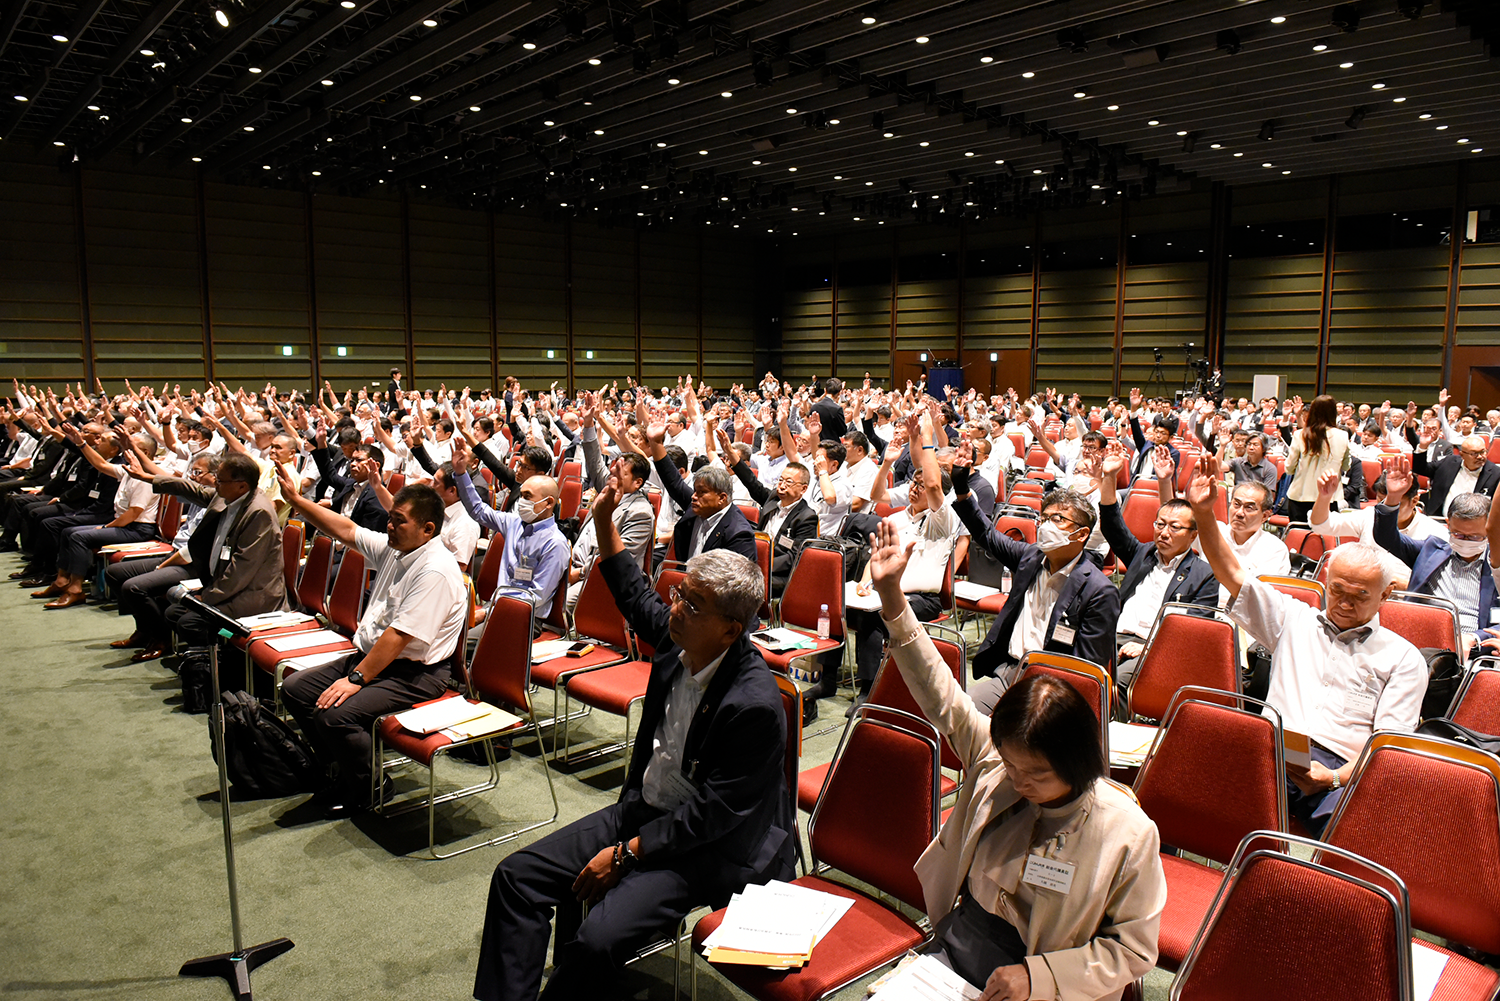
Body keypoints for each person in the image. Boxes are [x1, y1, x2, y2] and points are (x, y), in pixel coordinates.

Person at [474, 477, 795, 1001]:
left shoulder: (752, 705)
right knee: (516, 877)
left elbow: (713, 816)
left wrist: (625, 854)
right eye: (679, 594)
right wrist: (604, 521)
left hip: (705, 846)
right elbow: (631, 588)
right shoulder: (682, 635)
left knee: (595, 941)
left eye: (692, 605)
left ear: (730, 631)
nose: (674, 609)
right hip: (645, 810)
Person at [865, 517, 1165, 1000]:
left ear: (1078, 764)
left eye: (1037, 775)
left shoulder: (1127, 831)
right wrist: (893, 599)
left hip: (1050, 967)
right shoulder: (995, 760)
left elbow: (1133, 950)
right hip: (964, 934)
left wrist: (1039, 977)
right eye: (1012, 766)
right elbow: (941, 694)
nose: (1019, 782)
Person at [1186, 454, 1426, 837]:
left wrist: (1334, 777)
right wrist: (1202, 513)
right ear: (1325, 582)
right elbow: (1231, 573)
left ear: (1385, 596)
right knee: (1185, 787)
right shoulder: (1294, 618)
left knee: (1359, 833)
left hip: (1343, 769)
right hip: (1273, 750)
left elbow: (1388, 745)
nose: (1344, 603)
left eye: (1360, 596)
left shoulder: (1402, 658)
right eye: (1337, 590)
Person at [277, 467, 466, 818]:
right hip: (375, 658)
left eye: (399, 521)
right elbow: (346, 529)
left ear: (428, 529)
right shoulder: (398, 547)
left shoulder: (435, 570)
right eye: (390, 518)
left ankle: (370, 787)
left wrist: (356, 679)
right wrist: (297, 501)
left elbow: (400, 636)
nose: (389, 526)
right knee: (296, 689)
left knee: (335, 715)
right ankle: (340, 768)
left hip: (415, 674)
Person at [951, 452, 1120, 716]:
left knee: (1008, 733)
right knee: (958, 715)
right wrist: (962, 491)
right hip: (1009, 672)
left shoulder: (1099, 591)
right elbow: (987, 534)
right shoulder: (1030, 557)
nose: (1046, 526)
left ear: (1082, 534)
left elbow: (1087, 667)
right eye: (1045, 518)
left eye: (1058, 519)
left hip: (1053, 688)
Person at [1098, 443, 1218, 690]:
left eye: (1174, 527)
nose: (1164, 533)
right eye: (1160, 524)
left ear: (1193, 535)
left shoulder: (1204, 575)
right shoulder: (1143, 553)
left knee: (1113, 686)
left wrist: (1149, 646)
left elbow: (1192, 632)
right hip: (1112, 637)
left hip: (1153, 648)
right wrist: (1109, 477)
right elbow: (1112, 526)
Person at [1374, 453, 1499, 655]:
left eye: (1474, 537)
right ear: (1448, 525)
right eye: (1458, 534)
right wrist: (1393, 498)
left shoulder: (1496, 567)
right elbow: (1386, 537)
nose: (1465, 541)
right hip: (1421, 642)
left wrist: (1475, 638)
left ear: (1488, 531)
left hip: (1473, 651)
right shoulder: (1431, 550)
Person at [1284, 394, 1351, 523]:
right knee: (1325, 534)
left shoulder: (1300, 434)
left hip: (1300, 496)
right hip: (1330, 497)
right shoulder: (1343, 435)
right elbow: (1346, 466)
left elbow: (1289, 468)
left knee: (1299, 534)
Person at [1413, 433, 1499, 517]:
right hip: (1439, 519)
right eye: (1474, 453)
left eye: (1483, 452)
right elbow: (1421, 469)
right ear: (1462, 455)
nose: (1480, 457)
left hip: (1474, 524)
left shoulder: (1496, 474)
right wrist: (1422, 447)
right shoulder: (1448, 462)